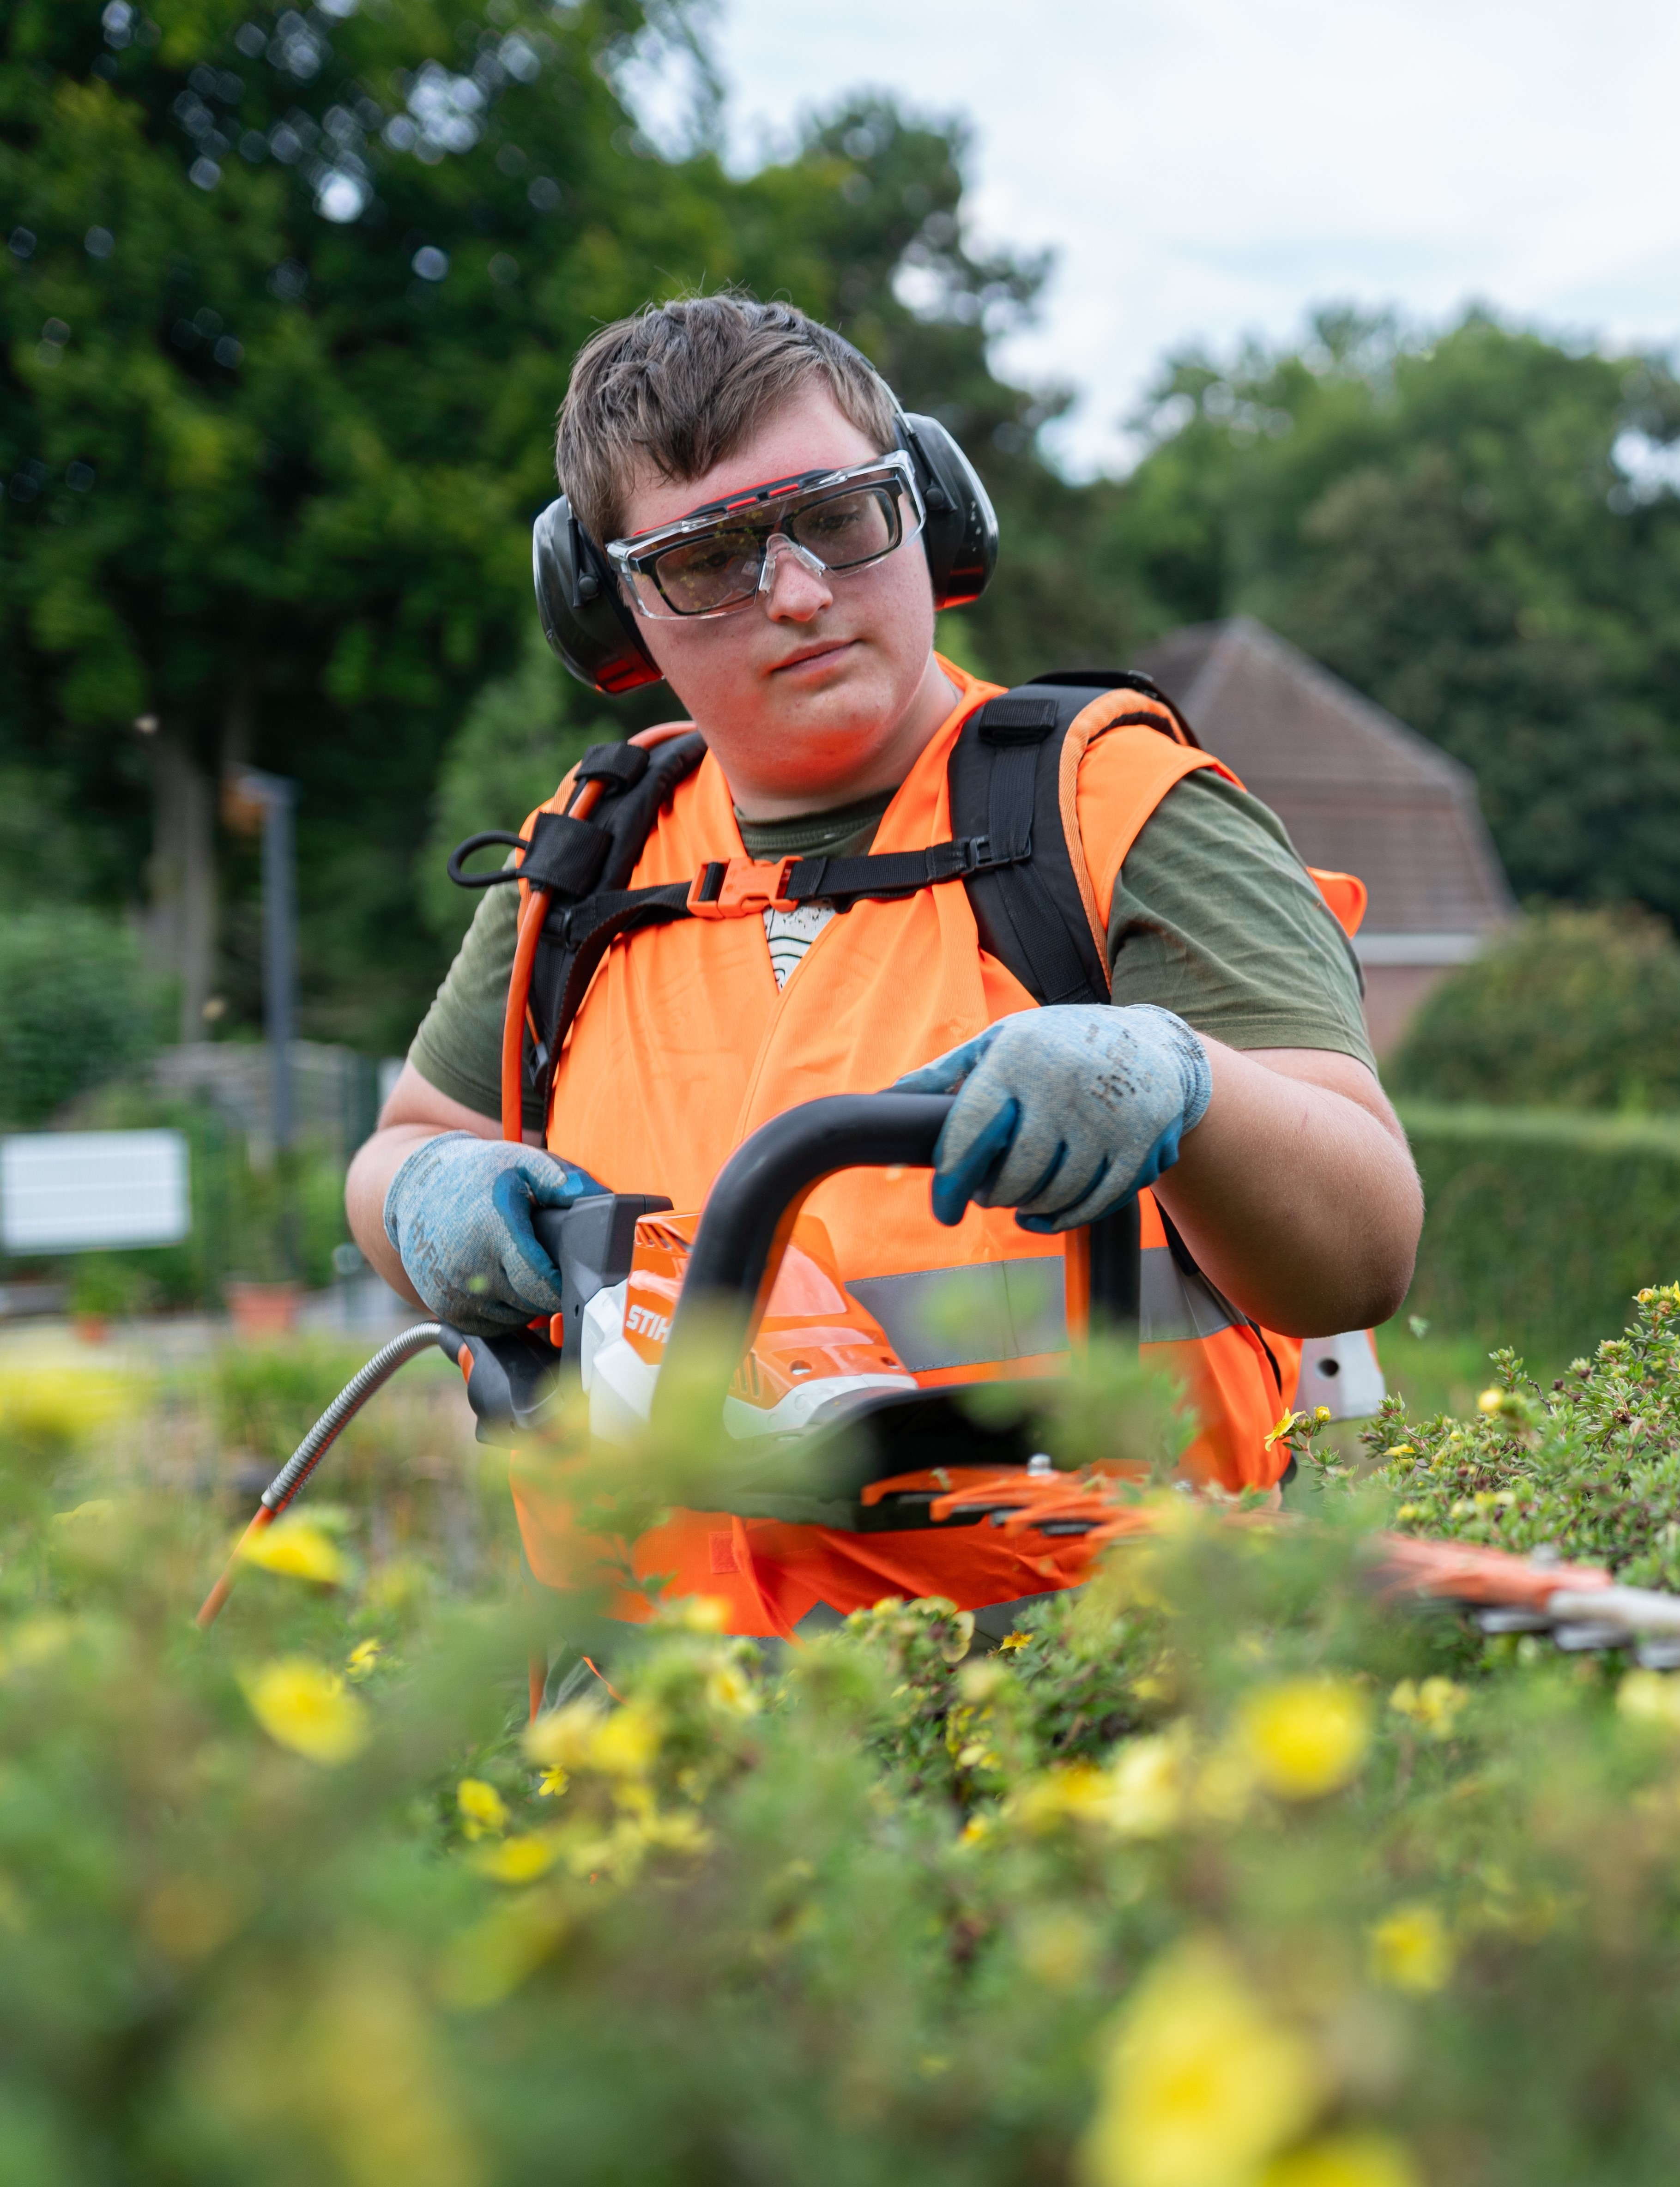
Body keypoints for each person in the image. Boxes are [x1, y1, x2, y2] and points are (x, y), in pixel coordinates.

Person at [345, 293, 1422, 1636]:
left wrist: (1187, 1082)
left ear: (928, 509)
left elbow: (1363, 1253)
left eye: (841, 517)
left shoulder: (1119, 812)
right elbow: (405, 1144)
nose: (798, 595)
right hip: (659, 1711)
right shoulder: (586, 865)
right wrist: (423, 1193)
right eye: (706, 559)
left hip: (1096, 1698)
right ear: (610, 608)